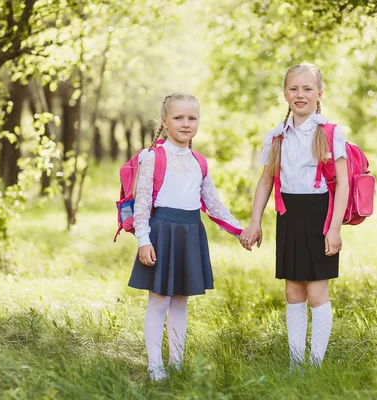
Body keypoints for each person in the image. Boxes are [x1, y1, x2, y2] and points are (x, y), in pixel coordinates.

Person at [239, 63, 349, 368]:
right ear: (285, 94)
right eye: (294, 88)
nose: (300, 94)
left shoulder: (329, 132)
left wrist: (335, 228)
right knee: (292, 291)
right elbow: (265, 181)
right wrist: (255, 221)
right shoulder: (277, 136)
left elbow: (343, 184)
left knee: (316, 292)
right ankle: (295, 364)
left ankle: (315, 365)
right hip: (288, 215)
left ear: (319, 94)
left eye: (307, 88)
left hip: (319, 216)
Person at [128, 92, 243, 381]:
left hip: (190, 233)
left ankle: (176, 363)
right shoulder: (153, 157)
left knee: (180, 301)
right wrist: (144, 239)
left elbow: (213, 203)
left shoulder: (199, 162)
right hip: (162, 232)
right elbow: (142, 203)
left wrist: (240, 230)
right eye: (178, 118)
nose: (186, 123)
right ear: (165, 122)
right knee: (159, 300)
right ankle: (155, 365)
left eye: (192, 118)